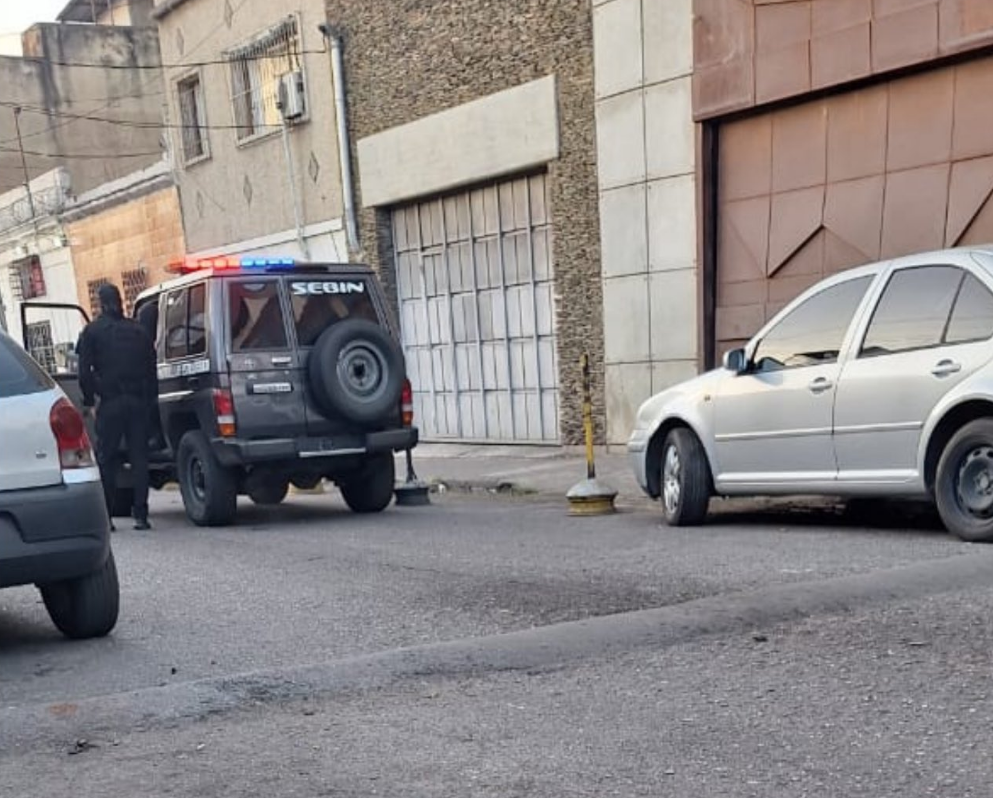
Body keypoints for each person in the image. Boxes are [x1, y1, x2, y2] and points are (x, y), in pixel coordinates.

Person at [77, 284, 157, 530]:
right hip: (137, 402)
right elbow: (150, 371)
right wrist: (148, 403)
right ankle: (141, 515)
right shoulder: (138, 331)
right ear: (120, 301)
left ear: (101, 303)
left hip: (110, 403)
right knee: (139, 458)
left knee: (107, 459)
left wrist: (90, 400)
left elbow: (84, 373)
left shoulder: (92, 332)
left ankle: (108, 517)